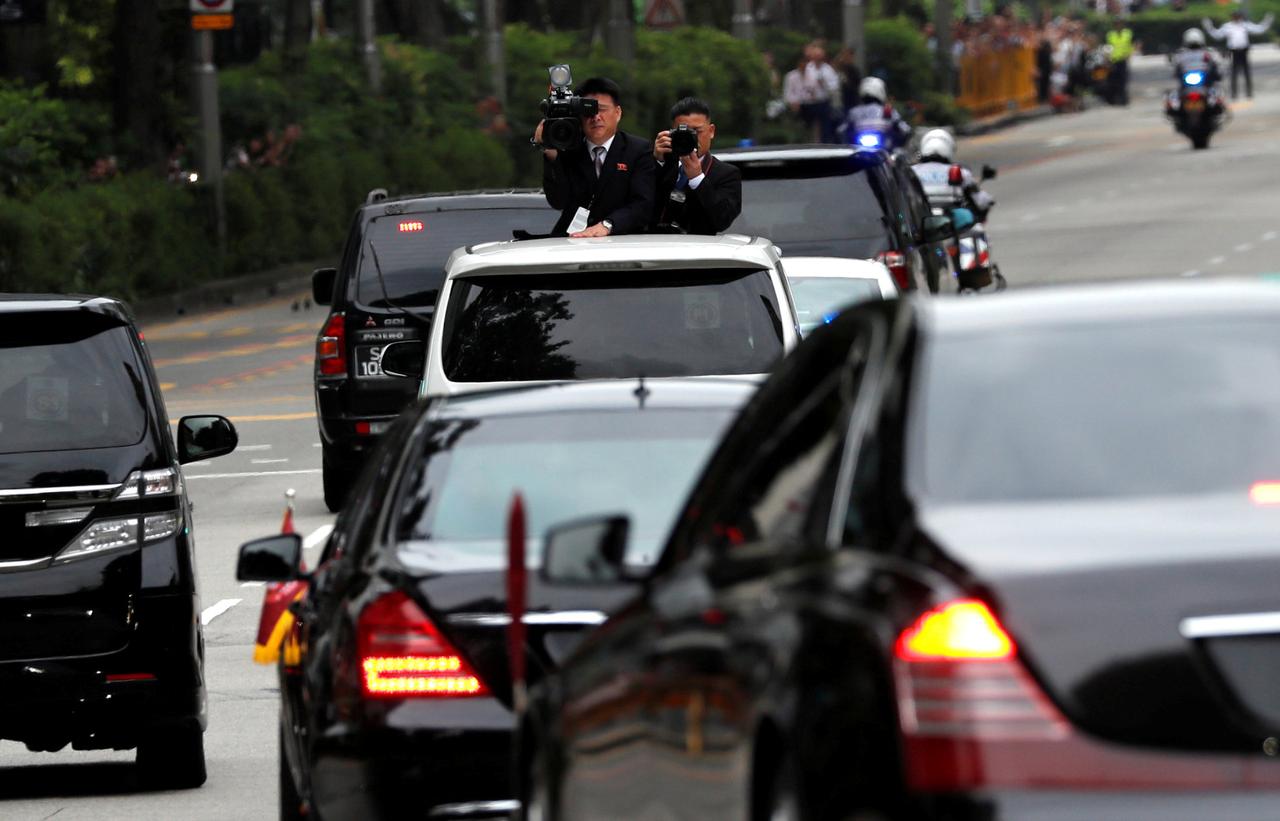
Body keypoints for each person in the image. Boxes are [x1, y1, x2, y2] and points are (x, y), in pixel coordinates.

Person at [535, 77, 656, 238]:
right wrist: (551, 152)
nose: (596, 117)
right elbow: (558, 201)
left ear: (618, 113)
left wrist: (608, 225)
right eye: (588, 110)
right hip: (573, 241)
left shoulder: (638, 150)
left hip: (624, 241)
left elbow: (642, 205)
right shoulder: (568, 150)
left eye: (603, 109)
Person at [651, 97, 743, 235]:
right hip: (652, 246)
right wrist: (657, 162)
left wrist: (698, 179)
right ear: (671, 133)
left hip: (698, 251)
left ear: (711, 131)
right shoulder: (657, 163)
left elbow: (722, 220)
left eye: (697, 132)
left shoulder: (726, 174)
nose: (691, 138)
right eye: (684, 133)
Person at [911, 128, 995, 218]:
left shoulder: (911, 171)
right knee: (978, 231)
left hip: (916, 225)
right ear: (949, 147)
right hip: (953, 226)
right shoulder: (961, 172)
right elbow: (981, 202)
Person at [1202, 11, 1274, 99]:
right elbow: (1217, 35)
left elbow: (1259, 29)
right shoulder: (1227, 26)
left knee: (1246, 72)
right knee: (1234, 73)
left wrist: (1267, 21)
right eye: (1235, 16)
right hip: (1234, 51)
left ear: (1240, 17)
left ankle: (1249, 92)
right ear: (1232, 17)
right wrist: (1208, 26)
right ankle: (1234, 93)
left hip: (1243, 50)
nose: (1236, 18)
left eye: (1238, 16)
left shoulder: (1245, 25)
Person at [842, 77, 913, 153]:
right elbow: (905, 130)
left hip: (866, 153)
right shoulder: (887, 110)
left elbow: (841, 131)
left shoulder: (854, 112)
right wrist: (897, 144)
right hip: (881, 152)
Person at [1105, 18, 1135, 105]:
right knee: (1114, 80)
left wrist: (1129, 54)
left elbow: (1130, 45)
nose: (1118, 26)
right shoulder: (1110, 34)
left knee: (1123, 79)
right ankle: (1115, 98)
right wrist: (1107, 58)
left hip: (1123, 59)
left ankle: (1123, 98)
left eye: (1120, 24)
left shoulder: (1127, 33)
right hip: (1113, 60)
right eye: (1116, 24)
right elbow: (1108, 47)